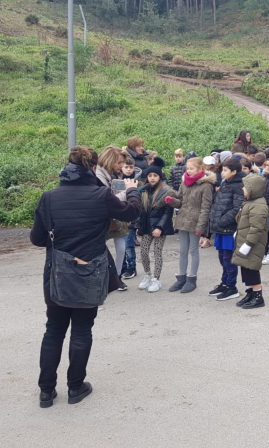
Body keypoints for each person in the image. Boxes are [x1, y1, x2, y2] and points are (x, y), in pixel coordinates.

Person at [31, 146, 140, 408]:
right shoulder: (101, 194)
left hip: (57, 272)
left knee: (54, 330)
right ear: (93, 167)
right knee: (82, 329)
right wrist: (133, 190)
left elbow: (37, 239)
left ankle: (46, 391)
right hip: (90, 269)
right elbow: (130, 213)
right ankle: (75, 387)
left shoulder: (49, 197)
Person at [165, 157, 215, 294]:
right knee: (182, 251)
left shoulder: (206, 186)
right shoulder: (184, 183)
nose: (188, 171)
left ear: (200, 169)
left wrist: (201, 227)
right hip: (182, 221)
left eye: (191, 168)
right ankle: (181, 278)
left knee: (193, 251)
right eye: (187, 168)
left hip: (195, 223)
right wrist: (172, 201)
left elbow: (206, 208)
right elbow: (180, 202)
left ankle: (191, 279)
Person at [95, 146, 134, 290]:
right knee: (99, 251)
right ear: (110, 160)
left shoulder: (115, 174)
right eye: (119, 163)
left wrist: (125, 211)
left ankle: (117, 277)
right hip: (103, 219)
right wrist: (128, 192)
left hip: (116, 217)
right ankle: (103, 279)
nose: (121, 166)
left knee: (121, 249)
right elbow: (108, 201)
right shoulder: (98, 176)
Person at [207, 157, 245, 300]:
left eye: (225, 170)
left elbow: (237, 209)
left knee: (229, 259)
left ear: (234, 171)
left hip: (229, 228)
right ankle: (224, 282)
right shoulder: (226, 183)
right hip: (220, 228)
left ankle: (232, 287)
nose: (222, 173)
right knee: (222, 257)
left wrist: (221, 221)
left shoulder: (239, 186)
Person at [232, 174, 269, 309]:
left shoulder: (258, 206)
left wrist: (248, 244)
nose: (243, 189)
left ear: (254, 189)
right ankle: (250, 293)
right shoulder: (250, 202)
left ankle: (258, 296)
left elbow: (257, 228)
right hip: (245, 241)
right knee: (245, 267)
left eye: (246, 187)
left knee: (252, 269)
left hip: (252, 244)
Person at [136, 165, 175, 293]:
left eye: (155, 175)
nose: (152, 178)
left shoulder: (166, 190)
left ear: (160, 177)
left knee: (157, 252)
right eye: (150, 176)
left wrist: (159, 227)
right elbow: (142, 211)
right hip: (146, 226)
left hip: (160, 227)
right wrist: (139, 227)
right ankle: (147, 275)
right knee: (143, 251)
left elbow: (168, 212)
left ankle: (156, 279)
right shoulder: (144, 191)